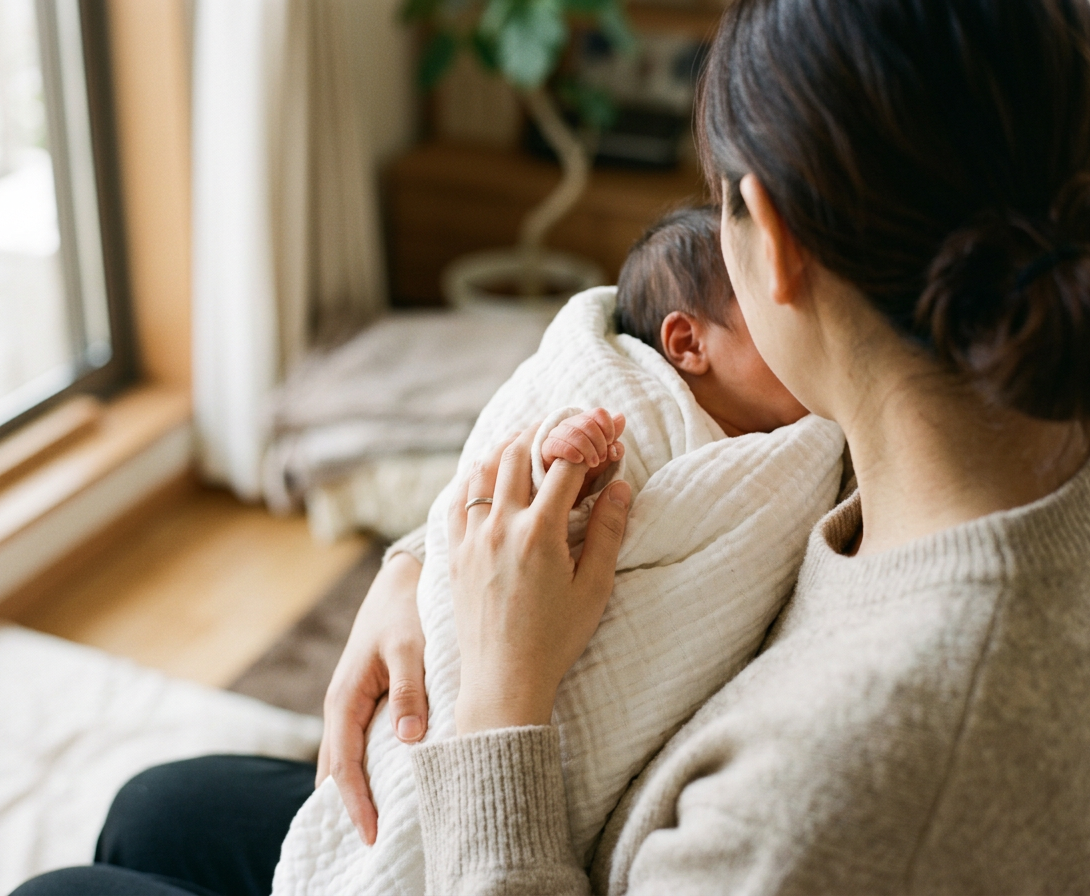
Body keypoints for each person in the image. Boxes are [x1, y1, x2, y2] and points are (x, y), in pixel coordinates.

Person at [11, 0, 1090, 893]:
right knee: (156, 809)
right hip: (615, 808)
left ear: (771, 242)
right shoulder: (1049, 420)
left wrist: (503, 686)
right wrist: (426, 563)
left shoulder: (842, 795)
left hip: (539, 830)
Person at [270, 204, 841, 894]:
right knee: (175, 802)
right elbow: (545, 492)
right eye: (780, 302)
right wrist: (421, 557)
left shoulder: (808, 447)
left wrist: (499, 696)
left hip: (506, 788)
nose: (811, 321)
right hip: (466, 695)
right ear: (687, 342)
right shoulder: (636, 395)